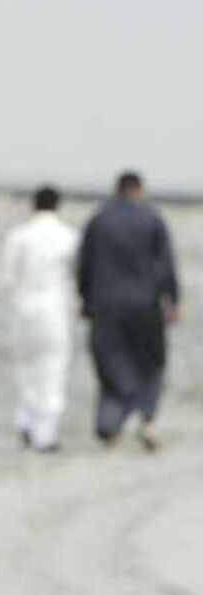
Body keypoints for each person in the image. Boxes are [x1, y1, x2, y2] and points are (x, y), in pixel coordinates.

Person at [77, 170, 180, 451]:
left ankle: (110, 425)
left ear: (117, 189)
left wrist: (85, 301)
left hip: (106, 305)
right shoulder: (152, 218)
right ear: (139, 190)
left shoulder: (99, 220)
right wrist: (173, 301)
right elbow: (165, 265)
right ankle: (147, 419)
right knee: (151, 363)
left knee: (110, 363)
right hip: (146, 304)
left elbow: (85, 265)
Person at [1, 185, 80, 453]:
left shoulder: (19, 236)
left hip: (23, 307)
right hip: (53, 308)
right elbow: (77, 274)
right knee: (52, 368)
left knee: (26, 366)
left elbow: (8, 276)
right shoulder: (68, 237)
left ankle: (26, 418)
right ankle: (45, 432)